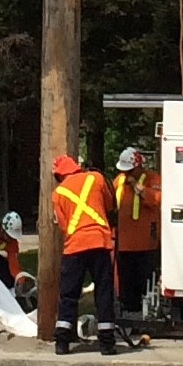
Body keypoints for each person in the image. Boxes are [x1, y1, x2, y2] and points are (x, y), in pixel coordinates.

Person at [49, 151, 124, 354]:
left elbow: (64, 226)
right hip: (99, 242)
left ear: (59, 175)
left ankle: (62, 342)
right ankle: (107, 343)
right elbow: (109, 205)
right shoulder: (96, 178)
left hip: (75, 247)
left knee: (69, 294)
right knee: (103, 292)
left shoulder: (58, 194)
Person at [111, 144, 160, 335]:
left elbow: (159, 200)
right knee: (127, 282)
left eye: (129, 169)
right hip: (124, 243)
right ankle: (129, 315)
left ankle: (146, 318)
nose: (127, 173)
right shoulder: (119, 181)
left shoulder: (153, 179)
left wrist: (141, 190)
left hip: (146, 242)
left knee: (146, 280)